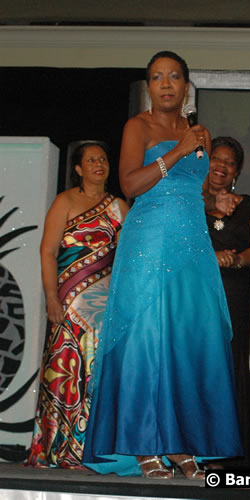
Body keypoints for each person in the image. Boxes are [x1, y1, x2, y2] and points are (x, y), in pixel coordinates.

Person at [83, 51, 242, 479]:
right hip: (150, 243)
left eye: (174, 77)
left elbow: (189, 190)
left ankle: (179, 443)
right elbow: (131, 183)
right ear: (149, 87)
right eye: (157, 77)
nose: (166, 84)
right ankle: (142, 444)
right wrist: (178, 152)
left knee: (186, 342)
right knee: (147, 340)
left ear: (186, 86)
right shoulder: (139, 126)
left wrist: (215, 201)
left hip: (192, 246)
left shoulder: (197, 131)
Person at [27, 143, 128, 469]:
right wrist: (52, 299)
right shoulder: (65, 201)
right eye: (91, 160)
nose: (99, 163)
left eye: (102, 158)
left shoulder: (119, 206)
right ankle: (59, 449)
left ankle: (92, 452)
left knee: (100, 375)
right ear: (79, 169)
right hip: (69, 307)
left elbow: (129, 259)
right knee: (66, 373)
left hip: (107, 309)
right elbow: (47, 253)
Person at [205, 136, 250, 467]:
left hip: (235, 291)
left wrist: (237, 259)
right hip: (197, 291)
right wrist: (211, 257)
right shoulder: (189, 203)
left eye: (229, 162)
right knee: (196, 363)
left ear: (236, 170)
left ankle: (221, 449)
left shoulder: (249, 205)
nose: (221, 167)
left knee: (228, 363)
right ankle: (189, 445)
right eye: (216, 159)